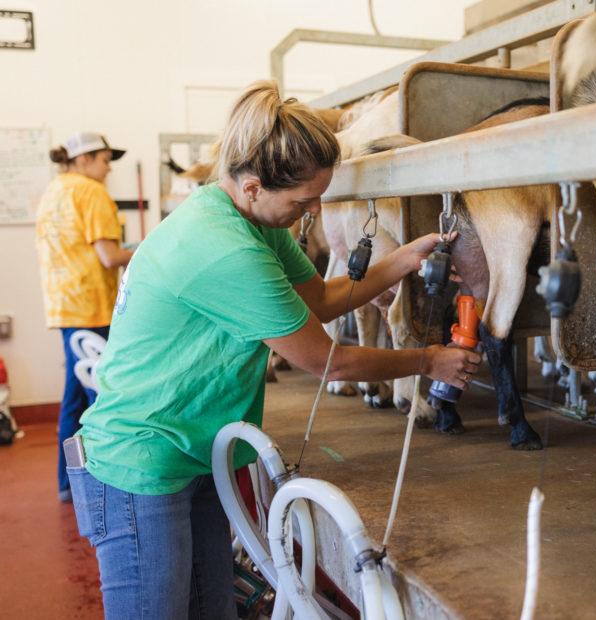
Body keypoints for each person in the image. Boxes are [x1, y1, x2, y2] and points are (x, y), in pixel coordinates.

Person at [66, 80, 481, 619]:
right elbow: (329, 362)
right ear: (255, 186)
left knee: (212, 611)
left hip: (192, 453)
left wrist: (402, 258)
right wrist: (429, 360)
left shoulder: (255, 222)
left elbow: (318, 299)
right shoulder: (225, 248)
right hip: (140, 466)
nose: (309, 214)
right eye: (303, 202)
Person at [35, 131, 134, 503]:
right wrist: (146, 251)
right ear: (83, 160)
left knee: (77, 393)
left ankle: (69, 482)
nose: (108, 170)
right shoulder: (91, 192)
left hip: (65, 304)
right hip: (92, 304)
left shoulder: (53, 192)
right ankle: (100, 483)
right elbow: (109, 256)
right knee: (101, 397)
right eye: (105, 161)